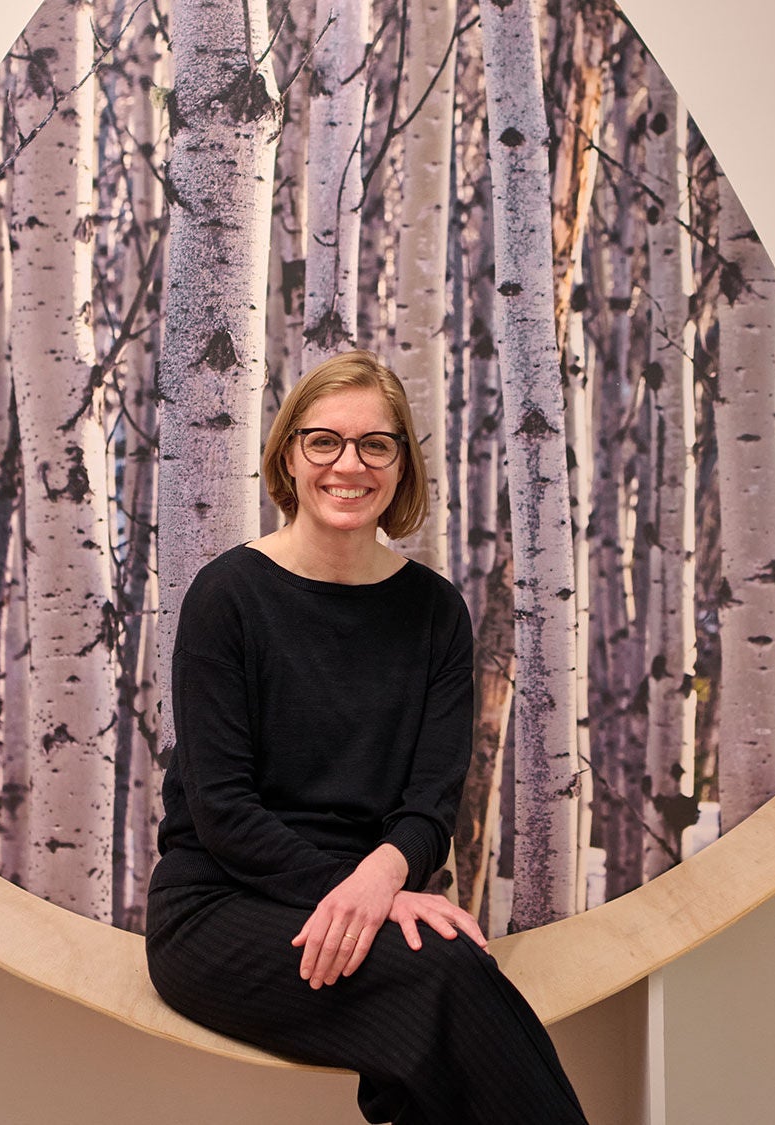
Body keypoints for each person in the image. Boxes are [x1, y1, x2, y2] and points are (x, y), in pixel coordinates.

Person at [145, 351, 590, 1124]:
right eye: (324, 441)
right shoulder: (228, 595)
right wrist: (368, 898)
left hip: (372, 898)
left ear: (400, 464)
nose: (348, 465)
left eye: (375, 444)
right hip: (220, 909)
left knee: (437, 1020)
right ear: (290, 454)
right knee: (444, 980)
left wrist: (379, 883)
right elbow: (221, 811)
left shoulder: (435, 612)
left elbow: (430, 807)